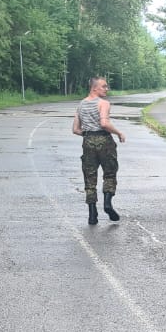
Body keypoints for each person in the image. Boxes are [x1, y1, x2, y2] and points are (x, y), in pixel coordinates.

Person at [71, 77, 126, 225]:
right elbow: (104, 123)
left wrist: (88, 135)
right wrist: (119, 133)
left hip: (88, 141)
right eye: (104, 86)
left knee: (90, 177)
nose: (107, 89)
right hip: (105, 141)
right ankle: (107, 204)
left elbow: (75, 129)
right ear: (94, 88)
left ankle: (92, 214)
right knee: (110, 173)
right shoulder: (103, 103)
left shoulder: (81, 104)